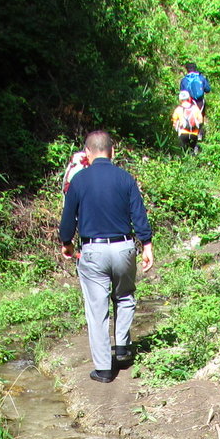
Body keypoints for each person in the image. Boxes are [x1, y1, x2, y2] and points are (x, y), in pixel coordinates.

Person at [57, 130, 154, 383]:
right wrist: (147, 244)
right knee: (125, 295)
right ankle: (122, 348)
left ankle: (103, 369)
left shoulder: (79, 180)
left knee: (97, 309)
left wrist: (67, 242)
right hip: (123, 248)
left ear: (87, 153)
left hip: (93, 250)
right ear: (113, 151)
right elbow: (139, 214)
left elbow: (68, 219)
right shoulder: (125, 178)